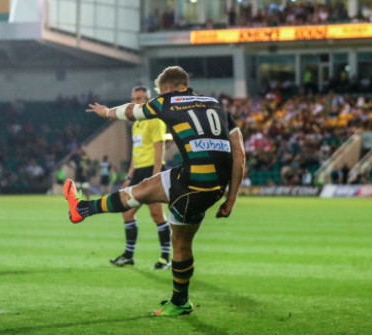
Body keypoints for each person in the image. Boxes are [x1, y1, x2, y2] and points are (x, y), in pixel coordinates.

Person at [64, 66, 246, 316]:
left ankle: (83, 208)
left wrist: (106, 112)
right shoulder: (217, 105)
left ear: (168, 88)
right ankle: (82, 208)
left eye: (160, 92)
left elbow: (132, 111)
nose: (158, 96)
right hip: (212, 185)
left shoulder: (167, 101)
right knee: (148, 199)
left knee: (174, 236)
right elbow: (240, 155)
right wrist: (231, 198)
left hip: (192, 183)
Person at [109, 86, 171, 271]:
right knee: (127, 213)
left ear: (147, 100)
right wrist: (129, 177)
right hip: (138, 173)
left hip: (152, 171)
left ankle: (165, 258)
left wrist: (156, 176)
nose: (136, 102)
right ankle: (128, 256)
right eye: (134, 99)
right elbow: (136, 154)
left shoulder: (155, 120)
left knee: (156, 214)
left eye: (140, 98)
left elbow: (160, 149)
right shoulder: (136, 123)